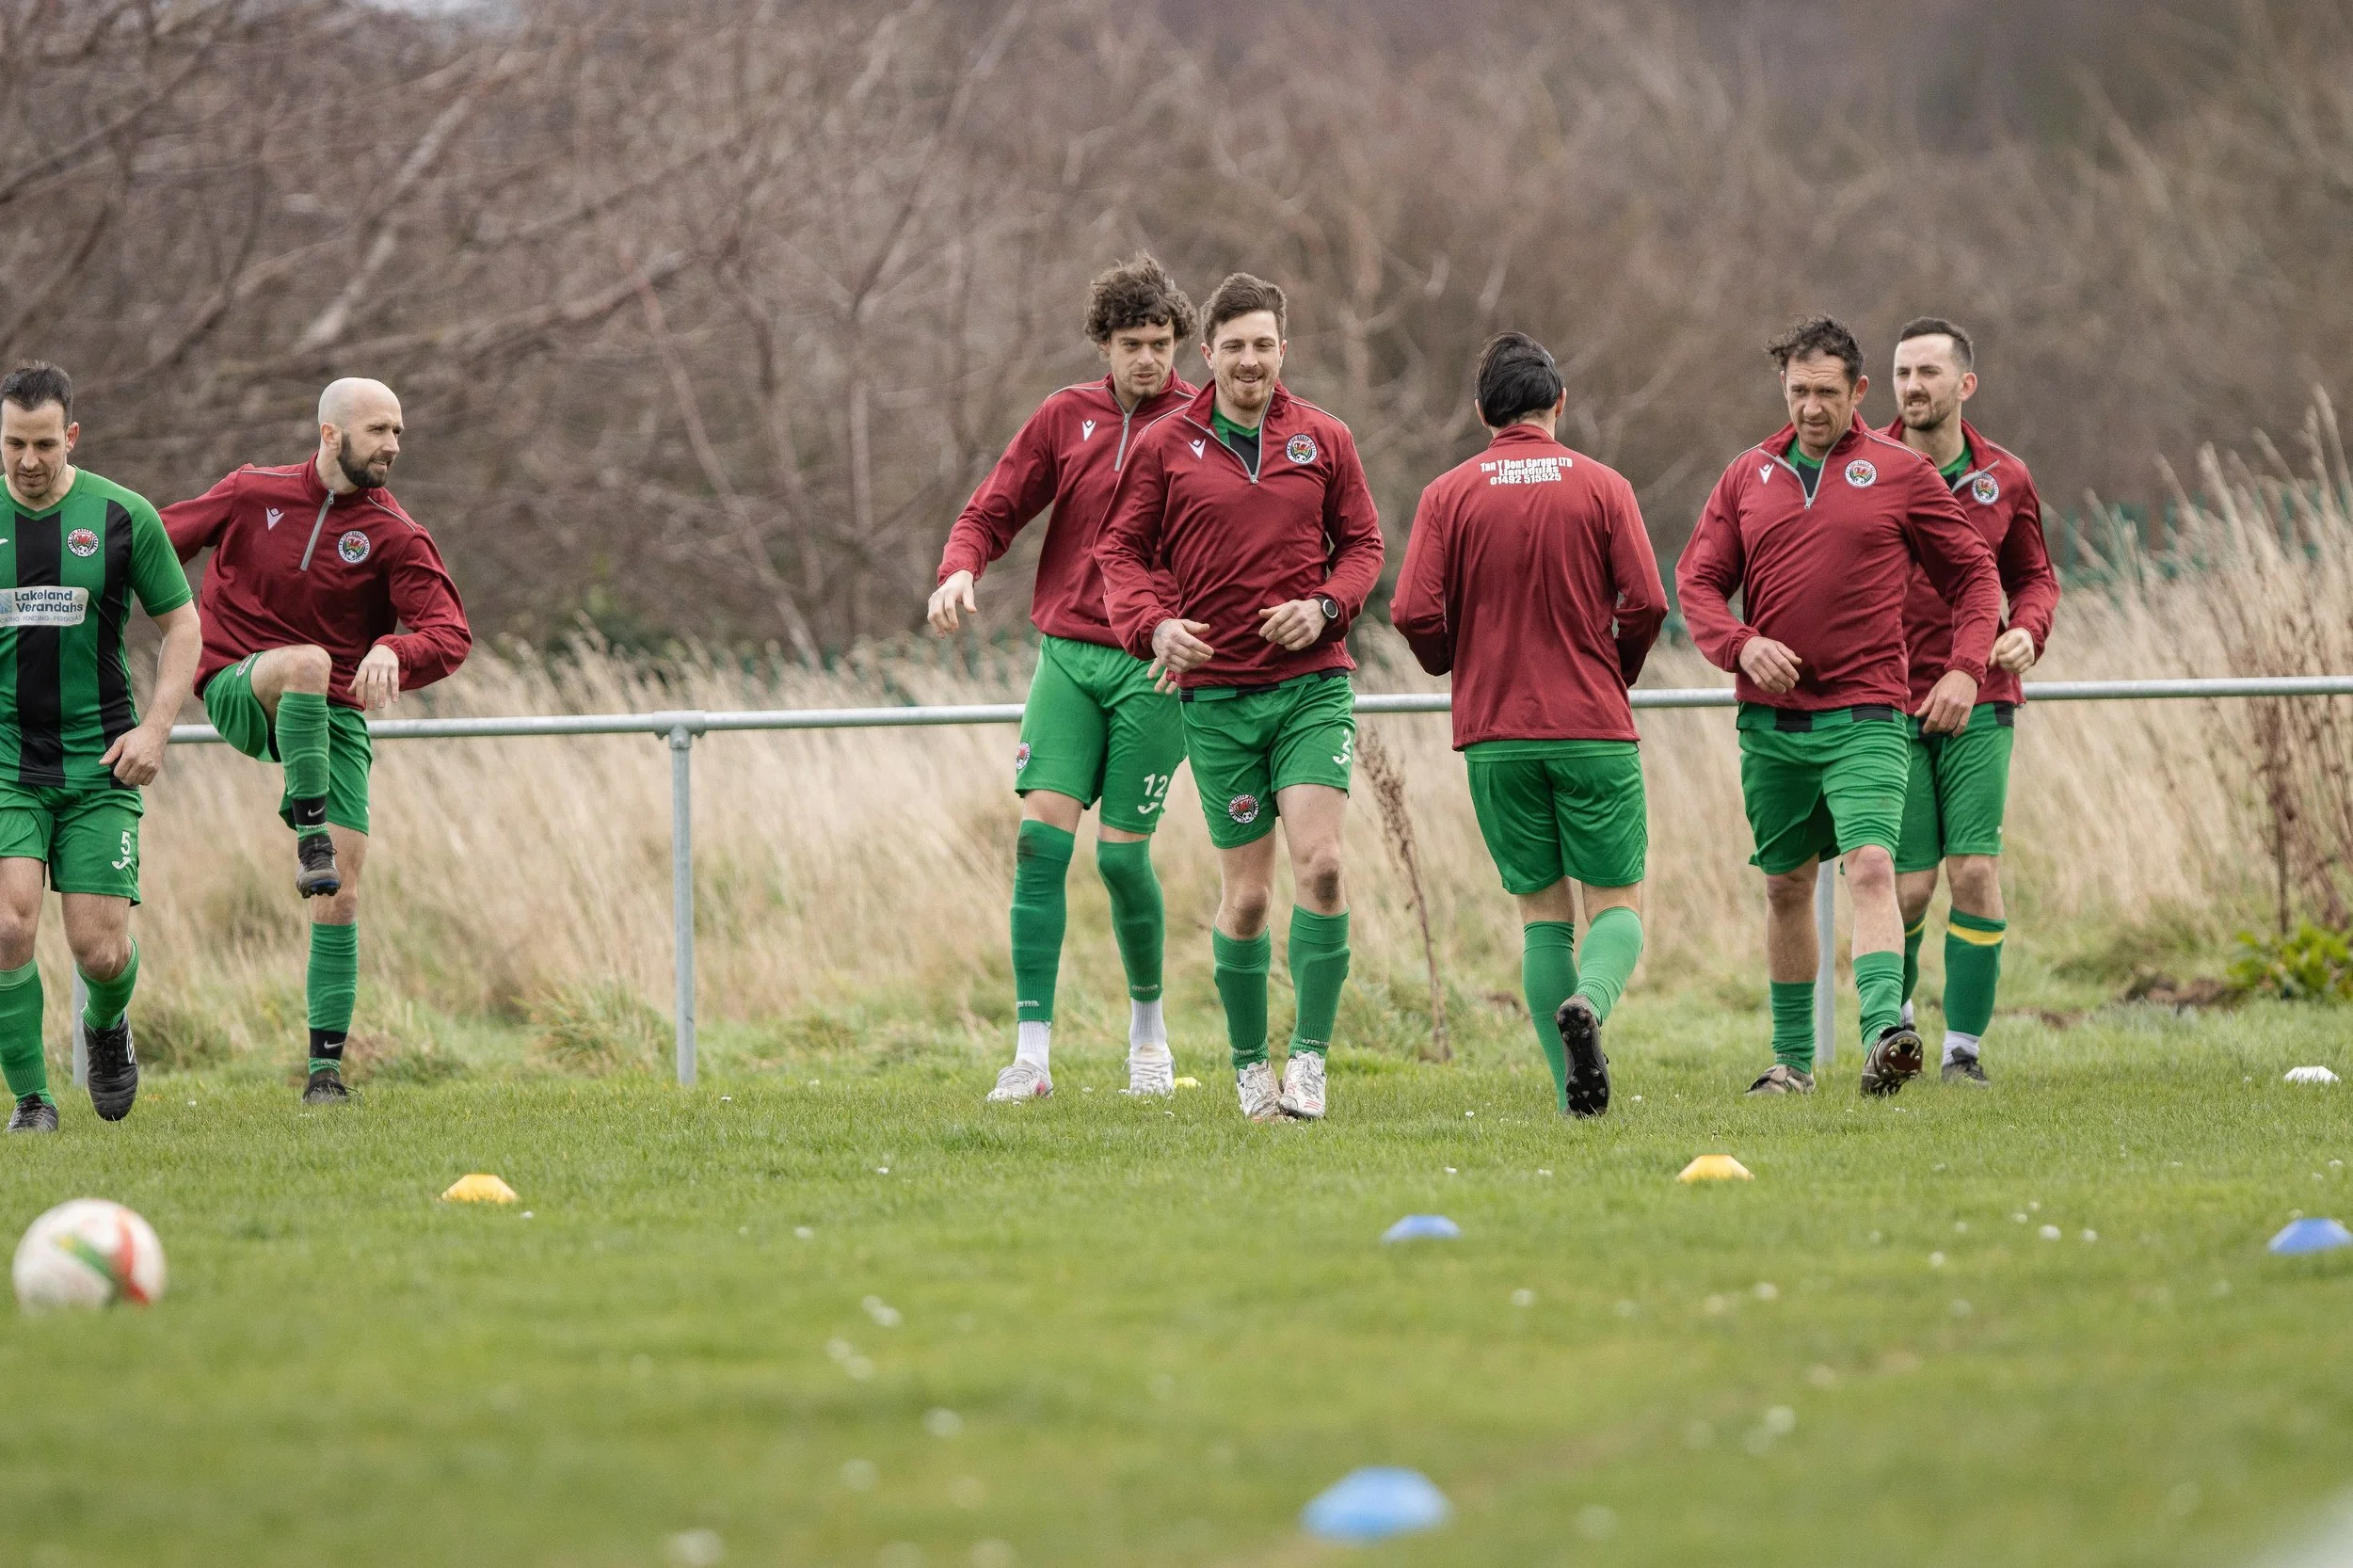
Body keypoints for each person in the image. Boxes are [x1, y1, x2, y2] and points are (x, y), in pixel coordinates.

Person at [1675, 316, 2000, 1098]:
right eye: (1797, 392)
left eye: (1826, 392)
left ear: (1859, 391)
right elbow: (1695, 585)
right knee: (1785, 887)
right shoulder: (1746, 475)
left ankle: (1886, 1032)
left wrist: (1964, 669)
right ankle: (1790, 1063)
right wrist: (1740, 643)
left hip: (1868, 716)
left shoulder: (1900, 473)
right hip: (1771, 725)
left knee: (1873, 866)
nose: (1811, 407)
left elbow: (1977, 580)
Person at [1097, 273, 1385, 1122]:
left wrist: (1327, 605)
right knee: (1250, 898)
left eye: (1264, 344)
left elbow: (1364, 544)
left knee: (1323, 868)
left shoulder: (1325, 437)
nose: (1250, 360)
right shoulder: (1164, 445)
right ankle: (1248, 1066)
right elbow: (1119, 553)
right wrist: (1152, 627)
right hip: (1217, 699)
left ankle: (1310, 1063)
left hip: (1311, 687)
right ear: (1209, 353)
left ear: (1282, 350)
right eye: (1234, 346)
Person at [929, 257, 1199, 1102]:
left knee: (1122, 863)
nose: (1148, 358)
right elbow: (993, 508)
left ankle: (1148, 1038)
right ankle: (1031, 1056)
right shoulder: (1063, 417)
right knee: (1040, 847)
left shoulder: (1204, 423)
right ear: (1104, 343)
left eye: (1161, 343)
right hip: (1068, 658)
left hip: (1152, 670)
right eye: (1132, 344)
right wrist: (959, 566)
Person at [163, 378, 470, 1104]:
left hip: (334, 716)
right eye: (377, 431)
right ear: (330, 435)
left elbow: (450, 633)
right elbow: (151, 543)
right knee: (305, 661)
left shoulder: (396, 532)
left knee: (341, 896)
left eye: (398, 430)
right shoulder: (249, 491)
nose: (393, 445)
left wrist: (398, 648)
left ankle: (325, 1075)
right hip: (241, 683)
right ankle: (308, 836)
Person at [1393, 333, 1666, 1117]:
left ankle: (1569, 1094)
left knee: (1541, 917)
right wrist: (1619, 670)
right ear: (1561, 404)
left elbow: (1411, 611)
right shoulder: (1604, 487)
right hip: (1591, 726)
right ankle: (1593, 1003)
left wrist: (1451, 661)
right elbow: (1646, 603)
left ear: (1482, 412)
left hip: (1494, 734)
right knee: (1615, 906)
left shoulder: (1449, 494)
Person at [0, 362, 201, 1135]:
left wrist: (155, 729)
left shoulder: (122, 516)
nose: (27, 460)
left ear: (71, 436)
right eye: (13, 443)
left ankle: (108, 1026)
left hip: (98, 763)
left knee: (99, 952)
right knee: (10, 926)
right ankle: (31, 1099)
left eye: (43, 443)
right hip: (8, 763)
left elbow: (182, 623)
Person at [1884, 317, 2060, 1084]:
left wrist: (2028, 628)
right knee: (1908, 885)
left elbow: (2036, 578)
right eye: (1901, 374)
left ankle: (1964, 1052)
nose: (1913, 387)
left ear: (1965, 384)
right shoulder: (1868, 467)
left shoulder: (2007, 478)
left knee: (1976, 874)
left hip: (1982, 699)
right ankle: (1892, 1028)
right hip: (1887, 700)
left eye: (1928, 372)